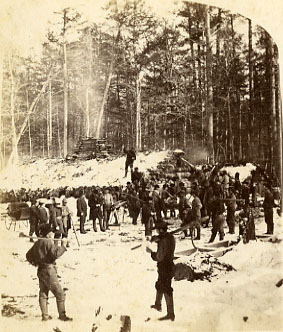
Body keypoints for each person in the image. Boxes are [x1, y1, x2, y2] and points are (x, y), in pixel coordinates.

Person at [26, 224, 72, 322]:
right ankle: (62, 316)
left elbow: (28, 256)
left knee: (43, 293)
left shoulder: (38, 243)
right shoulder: (48, 242)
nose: (52, 233)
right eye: (50, 232)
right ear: (47, 233)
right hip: (49, 270)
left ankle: (45, 316)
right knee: (59, 293)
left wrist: (36, 263)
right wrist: (63, 246)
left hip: (41, 270)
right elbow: (56, 254)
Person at [147, 221, 175, 321]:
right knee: (160, 284)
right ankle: (157, 304)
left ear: (161, 230)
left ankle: (170, 314)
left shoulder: (163, 240)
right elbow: (162, 239)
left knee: (166, 288)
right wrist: (155, 239)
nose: (157, 231)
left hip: (165, 266)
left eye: (158, 230)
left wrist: (151, 253)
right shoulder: (170, 237)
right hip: (168, 265)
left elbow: (159, 257)